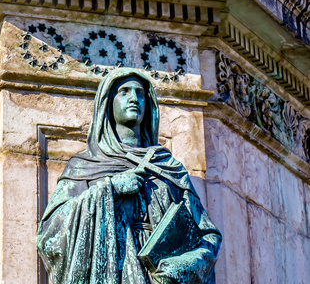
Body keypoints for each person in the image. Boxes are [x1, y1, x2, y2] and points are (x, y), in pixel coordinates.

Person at [37, 68, 222, 284]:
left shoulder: (169, 169)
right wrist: (110, 188)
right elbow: (50, 234)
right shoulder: (85, 166)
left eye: (140, 93)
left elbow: (208, 237)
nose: (134, 98)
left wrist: (182, 266)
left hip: (162, 277)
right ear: (108, 102)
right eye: (124, 92)